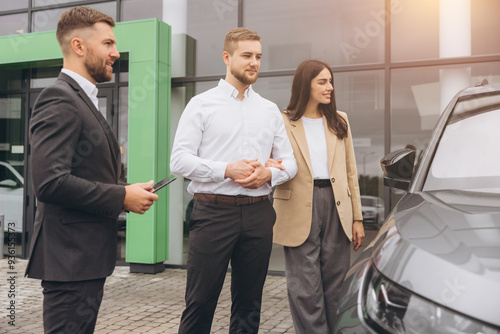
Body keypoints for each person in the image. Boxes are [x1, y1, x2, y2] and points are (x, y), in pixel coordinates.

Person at [25, 7, 158, 334]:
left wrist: (127, 189)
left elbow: (85, 172)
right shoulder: (58, 98)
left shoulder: (82, 99)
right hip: (69, 261)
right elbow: (50, 182)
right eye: (109, 43)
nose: (116, 53)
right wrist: (122, 196)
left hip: (83, 260)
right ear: (79, 46)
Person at [170, 27, 298, 334]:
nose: (254, 62)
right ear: (227, 58)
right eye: (247, 56)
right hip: (213, 214)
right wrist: (227, 170)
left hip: (258, 214)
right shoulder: (201, 104)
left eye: (258, 57)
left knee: (250, 305)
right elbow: (179, 160)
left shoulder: (269, 110)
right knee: (200, 302)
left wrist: (270, 174)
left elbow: (291, 162)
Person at [270, 59, 365, 334]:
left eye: (330, 82)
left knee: (336, 284)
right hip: (299, 207)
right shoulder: (283, 120)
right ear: (305, 84)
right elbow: (270, 160)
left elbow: (350, 171)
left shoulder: (340, 120)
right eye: (322, 82)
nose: (330, 88)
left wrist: (357, 217)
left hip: (337, 206)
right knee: (304, 288)